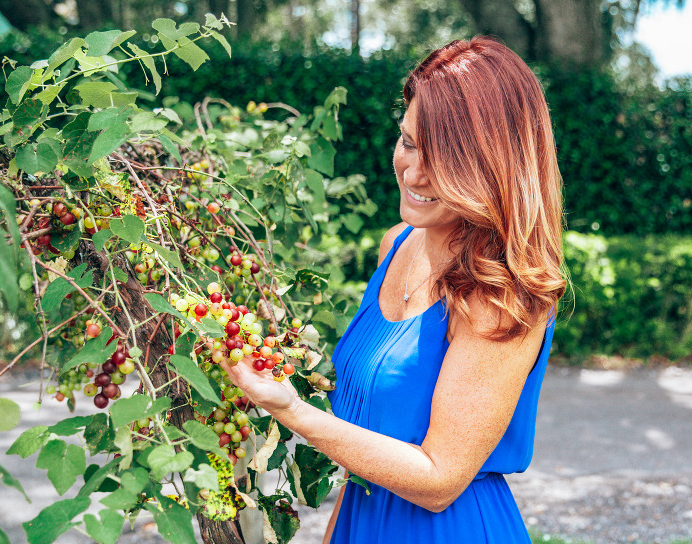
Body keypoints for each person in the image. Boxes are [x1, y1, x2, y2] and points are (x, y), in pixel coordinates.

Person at [221, 36, 568, 543]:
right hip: (363, 521)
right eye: (408, 141)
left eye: (443, 156)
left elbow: (439, 480)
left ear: (493, 165)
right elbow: (364, 455)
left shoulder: (502, 295)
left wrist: (292, 411)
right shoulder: (396, 246)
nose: (414, 170)